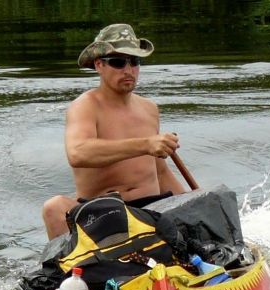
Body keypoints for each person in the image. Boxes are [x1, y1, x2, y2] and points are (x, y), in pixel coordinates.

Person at [42, 24, 187, 239]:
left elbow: (161, 172)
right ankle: (70, 268)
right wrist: (145, 144)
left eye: (134, 62)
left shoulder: (149, 109)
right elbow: (78, 153)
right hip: (102, 214)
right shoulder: (85, 106)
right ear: (99, 65)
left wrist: (195, 201)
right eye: (118, 62)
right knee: (53, 208)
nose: (128, 70)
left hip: (153, 209)